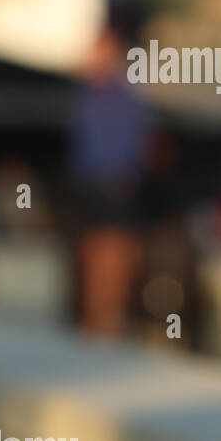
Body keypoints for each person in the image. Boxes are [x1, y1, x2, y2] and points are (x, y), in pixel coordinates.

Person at [66, 24, 155, 339]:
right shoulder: (88, 95)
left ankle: (111, 322)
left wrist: (127, 175)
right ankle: (95, 323)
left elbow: (135, 144)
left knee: (115, 253)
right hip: (92, 185)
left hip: (116, 183)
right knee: (94, 252)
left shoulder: (124, 96)